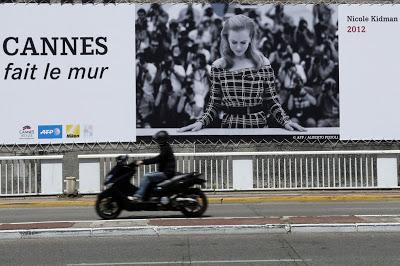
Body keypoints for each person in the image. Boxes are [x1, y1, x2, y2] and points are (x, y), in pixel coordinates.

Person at [178, 14, 305, 132]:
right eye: (234, 42)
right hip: (230, 127)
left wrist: (285, 121)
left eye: (243, 42)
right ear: (226, 38)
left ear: (251, 38)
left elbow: (271, 100)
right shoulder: (218, 66)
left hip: (259, 126)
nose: (238, 47)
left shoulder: (263, 62)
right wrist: (201, 122)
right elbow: (214, 103)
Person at [130, 130, 176, 201]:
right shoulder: (165, 147)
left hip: (167, 173)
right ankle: (148, 196)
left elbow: (157, 159)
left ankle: (138, 196)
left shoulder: (166, 148)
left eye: (158, 139)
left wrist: (143, 162)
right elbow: (159, 158)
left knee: (147, 176)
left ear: (161, 140)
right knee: (149, 175)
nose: (156, 141)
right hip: (165, 172)